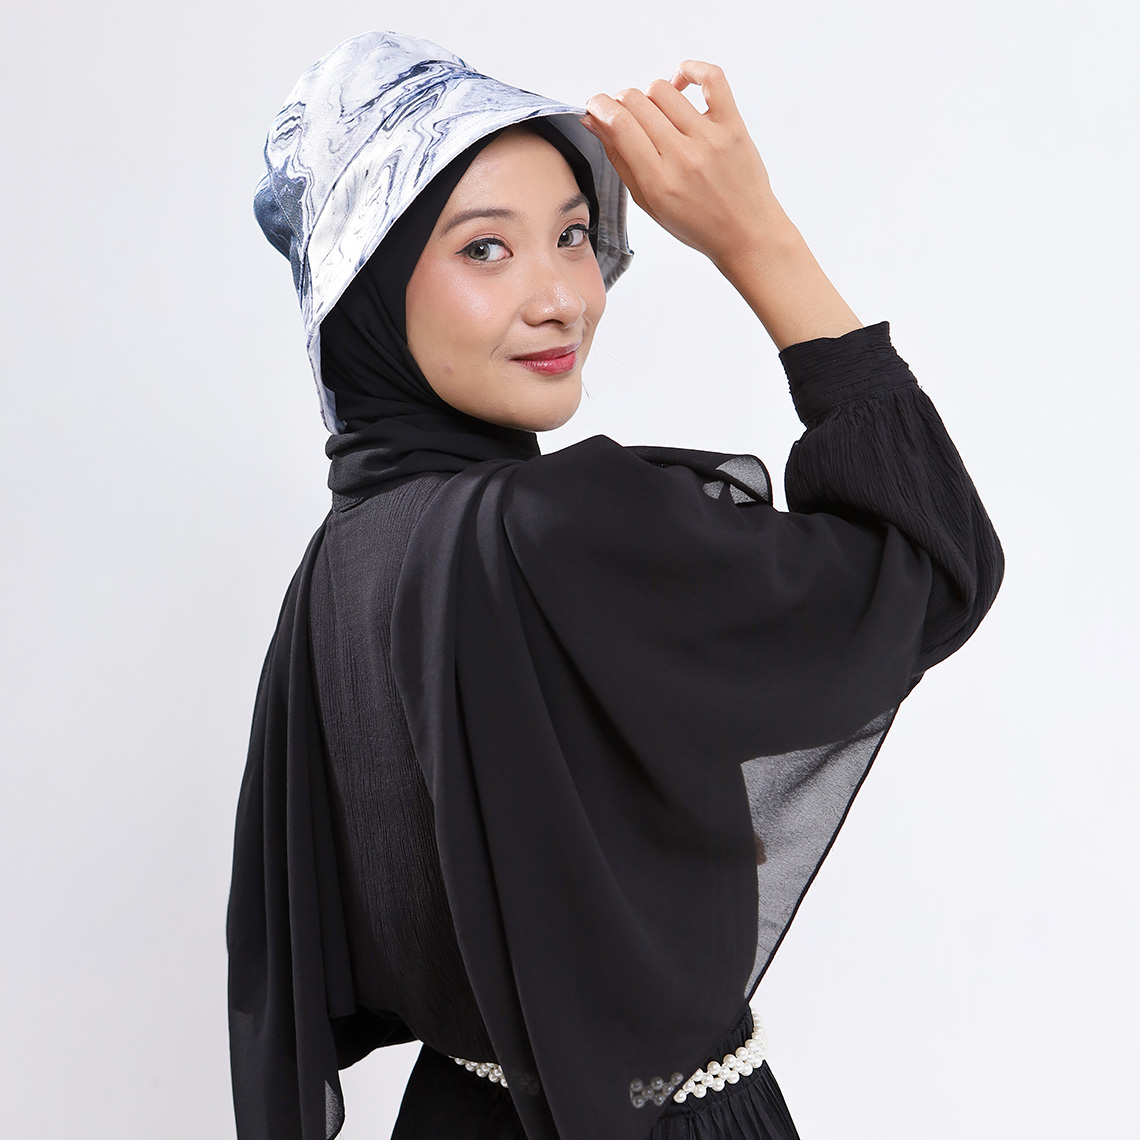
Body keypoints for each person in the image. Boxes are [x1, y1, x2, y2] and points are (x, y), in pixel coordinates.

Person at [227, 30, 1003, 1140]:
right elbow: (935, 561)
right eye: (485, 249)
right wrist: (756, 235)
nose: (561, 298)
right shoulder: (541, 533)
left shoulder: (343, 559)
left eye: (574, 236)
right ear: (372, 286)